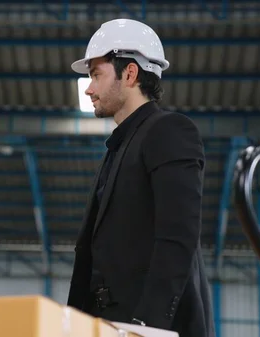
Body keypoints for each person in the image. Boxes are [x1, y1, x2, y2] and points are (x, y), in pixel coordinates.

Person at [66, 19, 215, 337]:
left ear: (130, 73)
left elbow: (177, 237)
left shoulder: (169, 131)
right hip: (109, 326)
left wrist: (147, 327)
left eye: (96, 75)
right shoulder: (118, 149)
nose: (89, 88)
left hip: (149, 328)